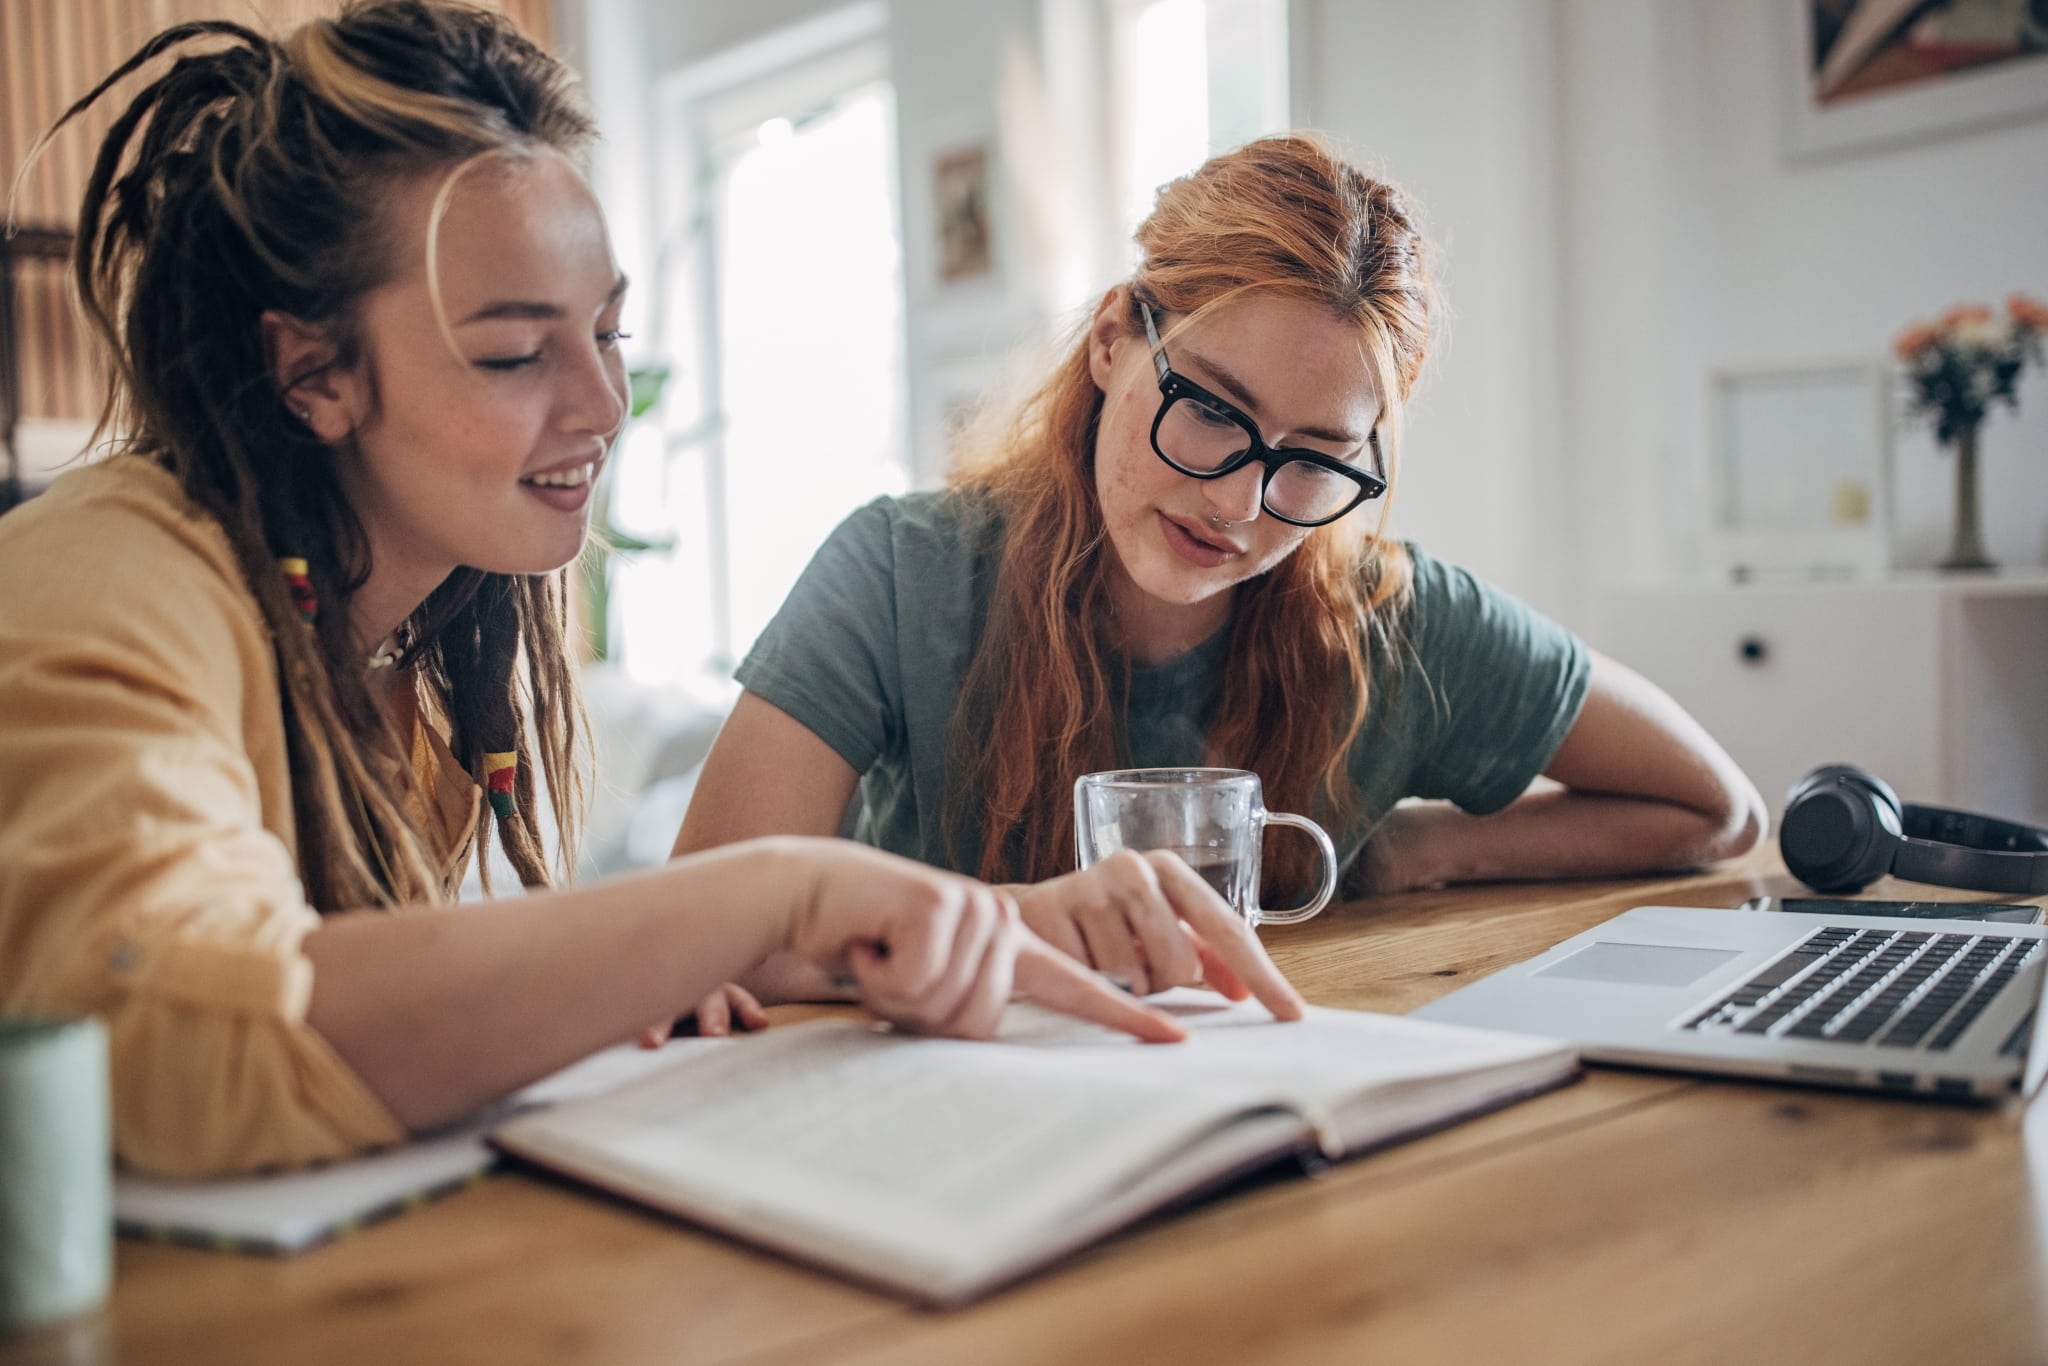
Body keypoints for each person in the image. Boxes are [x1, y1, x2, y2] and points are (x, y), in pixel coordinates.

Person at [0, 1, 1303, 1180]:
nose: (603, 405)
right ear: (312, 374)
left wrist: (972, 921)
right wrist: (772, 891)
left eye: (609, 332)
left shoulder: (420, 631)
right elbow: (165, 1037)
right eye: (514, 352)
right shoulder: (114, 574)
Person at [674, 133, 1767, 1017]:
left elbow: (1714, 810)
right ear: (1112, 341)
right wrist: (1040, 923)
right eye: (1208, 411)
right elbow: (700, 923)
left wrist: (1402, 854)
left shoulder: (1386, 615)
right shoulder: (896, 572)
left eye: (1314, 461)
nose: (1239, 505)